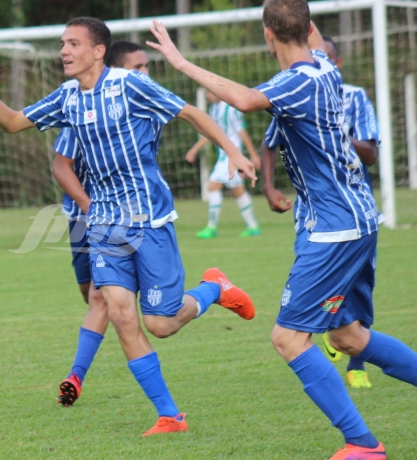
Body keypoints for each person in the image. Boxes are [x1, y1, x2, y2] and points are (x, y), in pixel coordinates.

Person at [0, 17, 257, 436]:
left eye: (73, 43)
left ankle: (215, 289)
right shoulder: (66, 97)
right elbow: (11, 122)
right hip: (103, 226)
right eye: (62, 43)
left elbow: (190, 114)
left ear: (98, 51)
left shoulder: (129, 85)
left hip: (149, 221)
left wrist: (234, 154)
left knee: (161, 324)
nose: (64, 50)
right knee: (120, 315)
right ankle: (170, 415)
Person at [147, 1, 417, 458]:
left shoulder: (294, 82)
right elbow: (299, 34)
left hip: (332, 229)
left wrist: (179, 62)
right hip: (356, 219)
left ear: (268, 36)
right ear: (310, 30)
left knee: (288, 338)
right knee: (347, 336)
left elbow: (246, 100)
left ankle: (363, 445)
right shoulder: (327, 69)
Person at [261, 34, 382, 390]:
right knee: (348, 334)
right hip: (321, 219)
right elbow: (272, 140)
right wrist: (268, 186)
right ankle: (349, 353)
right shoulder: (292, 91)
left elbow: (371, 153)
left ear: (334, 64)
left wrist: (333, 133)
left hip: (343, 219)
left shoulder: (346, 94)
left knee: (290, 337)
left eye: (322, 57)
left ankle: (361, 432)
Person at [51, 41, 156, 408]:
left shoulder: (142, 110)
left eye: (146, 68)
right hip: (82, 219)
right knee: (93, 297)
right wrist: (87, 204)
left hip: (125, 220)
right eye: (136, 69)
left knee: (102, 299)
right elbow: (61, 164)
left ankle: (75, 376)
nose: (144, 76)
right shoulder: (80, 109)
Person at [186, 91, 261, 238]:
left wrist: (253, 154)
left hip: (231, 156)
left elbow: (242, 132)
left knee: (213, 186)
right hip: (224, 156)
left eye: (209, 92)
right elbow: (211, 134)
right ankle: (253, 227)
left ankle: (211, 228)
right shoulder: (214, 109)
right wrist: (194, 149)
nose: (207, 95)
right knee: (238, 191)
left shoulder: (230, 109)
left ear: (217, 93)